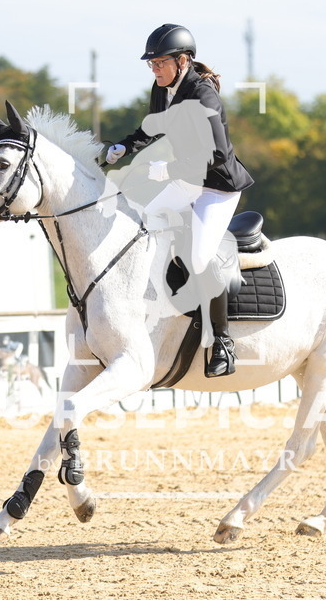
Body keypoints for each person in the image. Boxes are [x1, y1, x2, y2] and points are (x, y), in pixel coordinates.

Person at [105, 23, 254, 377]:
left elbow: (217, 155)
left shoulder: (204, 96)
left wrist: (168, 170)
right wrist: (125, 145)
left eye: (160, 62)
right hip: (188, 181)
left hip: (217, 187)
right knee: (143, 227)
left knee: (201, 256)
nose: (154, 69)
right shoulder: (163, 88)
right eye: (151, 63)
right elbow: (152, 127)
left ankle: (223, 342)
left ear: (182, 61)